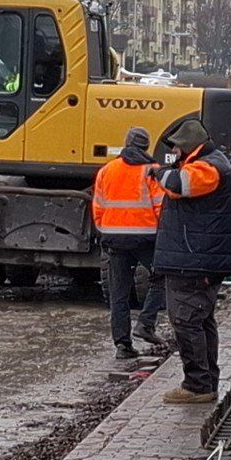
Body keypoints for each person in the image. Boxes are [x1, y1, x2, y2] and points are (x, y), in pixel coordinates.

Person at [151, 116, 231, 404]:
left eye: (177, 149)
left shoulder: (207, 167)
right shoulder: (211, 163)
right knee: (200, 320)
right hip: (196, 257)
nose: (174, 155)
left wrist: (156, 172)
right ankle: (205, 381)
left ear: (187, 146)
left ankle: (198, 385)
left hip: (194, 260)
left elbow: (180, 185)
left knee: (186, 320)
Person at [91, 125, 168, 362]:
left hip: (115, 239)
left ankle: (123, 345)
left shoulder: (107, 170)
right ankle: (146, 324)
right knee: (162, 277)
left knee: (119, 293)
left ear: (126, 143)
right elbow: (161, 207)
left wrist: (106, 232)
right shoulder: (153, 171)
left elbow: (97, 207)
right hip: (146, 238)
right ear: (146, 146)